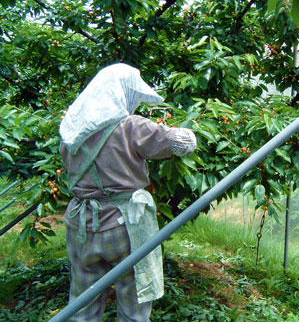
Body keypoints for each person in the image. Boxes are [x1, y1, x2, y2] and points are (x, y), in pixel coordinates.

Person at [59, 63, 197, 322]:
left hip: (79, 224)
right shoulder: (131, 127)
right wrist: (183, 130)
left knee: (82, 302)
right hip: (123, 224)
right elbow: (183, 144)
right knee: (134, 301)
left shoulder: (71, 128)